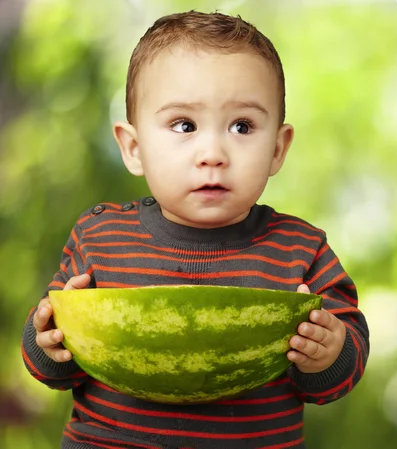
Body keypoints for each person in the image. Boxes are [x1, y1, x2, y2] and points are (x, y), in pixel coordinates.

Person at [21, 10, 369, 449]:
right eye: (183, 125)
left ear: (278, 149)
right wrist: (46, 344)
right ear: (134, 148)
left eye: (242, 126)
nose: (212, 153)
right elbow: (51, 360)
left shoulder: (301, 251)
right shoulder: (99, 236)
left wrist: (330, 353)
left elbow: (345, 359)